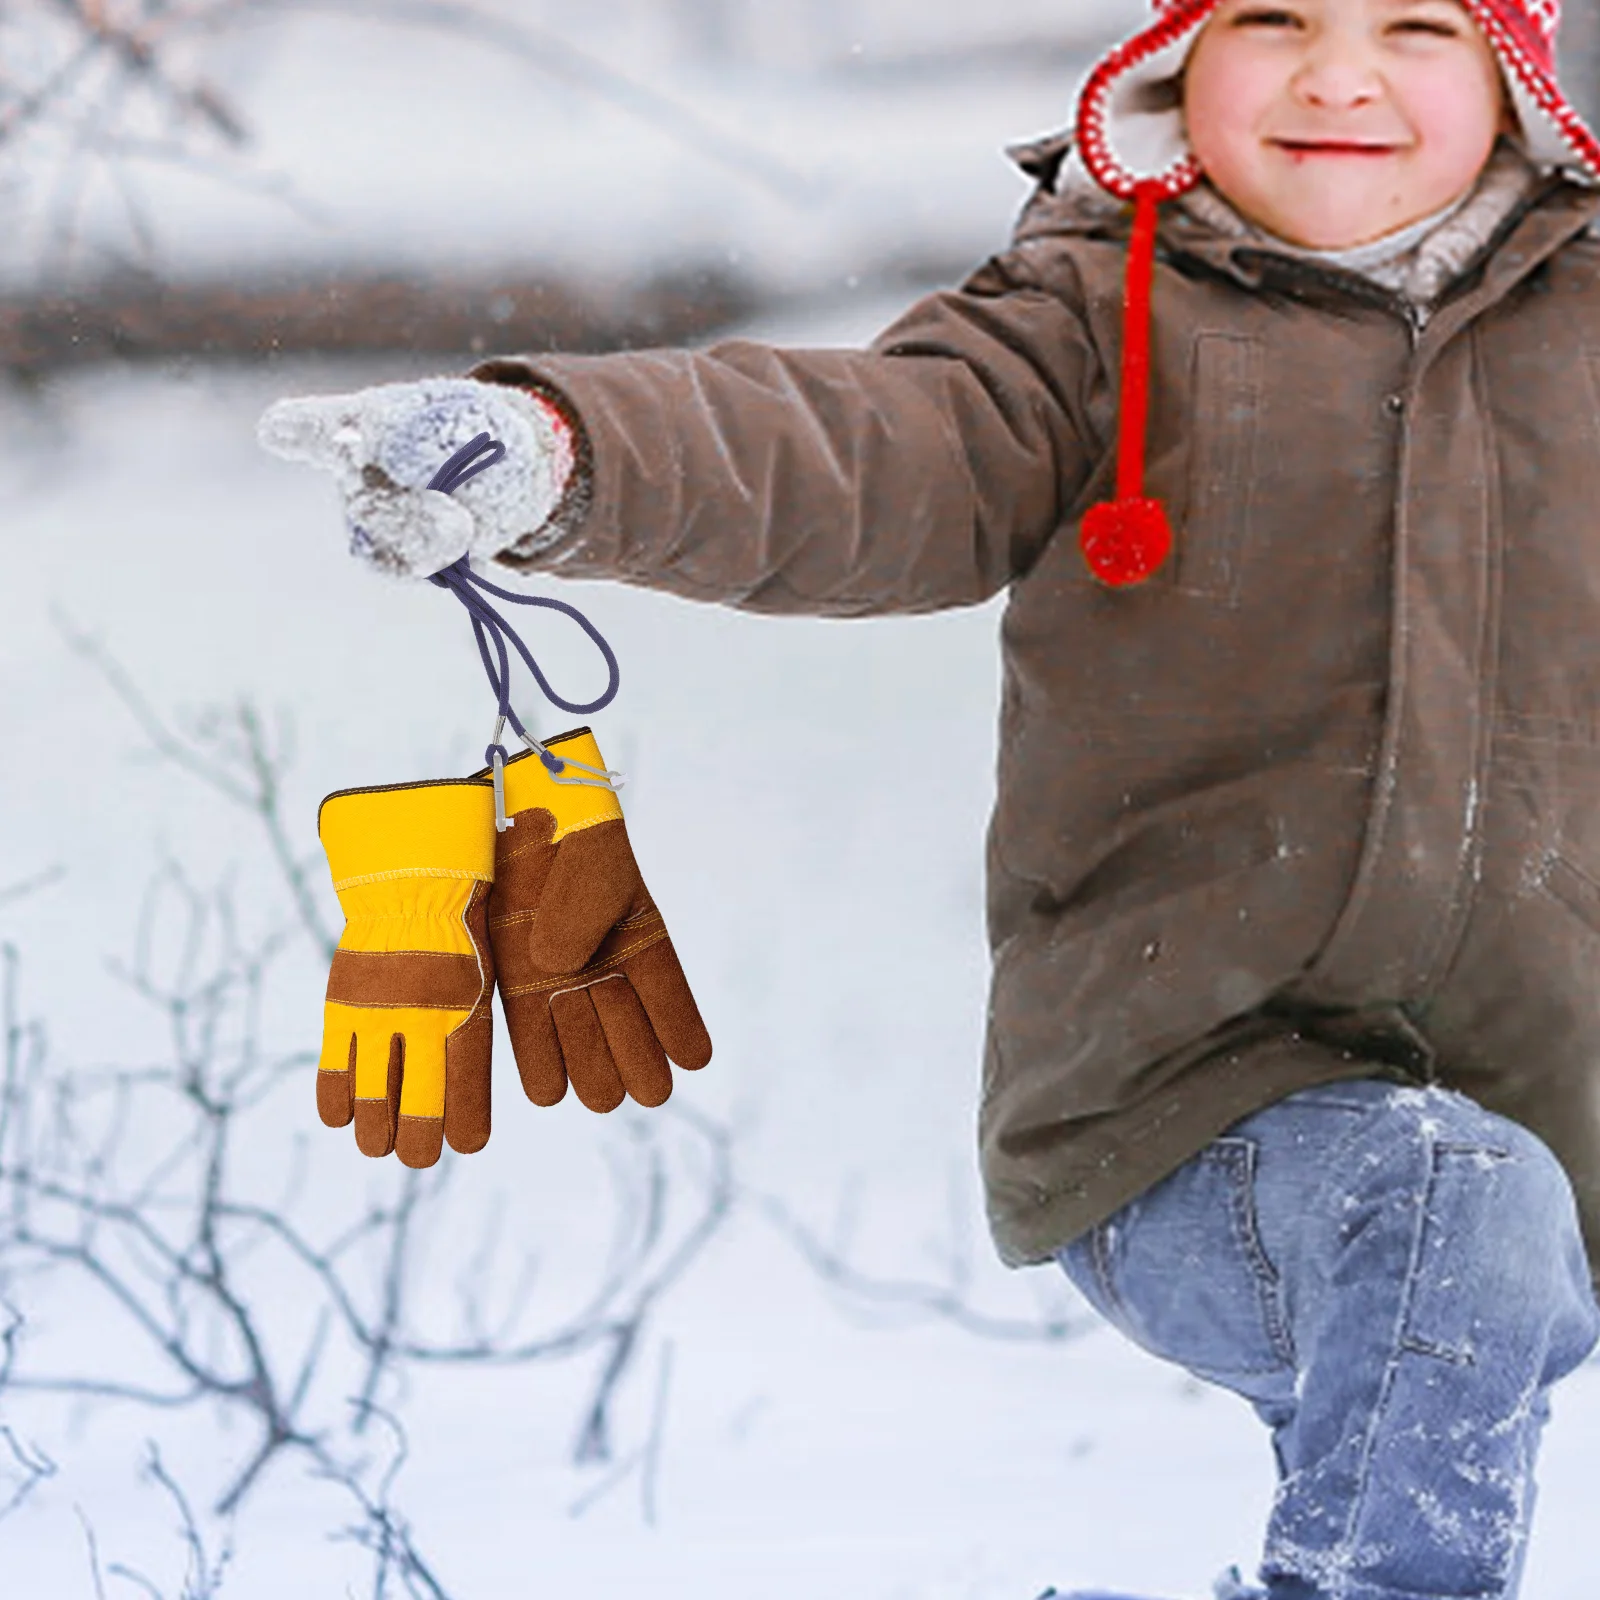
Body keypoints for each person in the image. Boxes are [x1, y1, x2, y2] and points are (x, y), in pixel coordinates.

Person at [259, 1, 1600, 1594]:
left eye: (1417, 26)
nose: (1340, 73)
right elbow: (865, 447)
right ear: (1175, 62)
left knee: (1475, 1200)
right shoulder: (1092, 321)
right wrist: (568, 451)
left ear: (1518, 78)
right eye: (1272, 17)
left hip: (1559, 1112)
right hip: (1185, 1112)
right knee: (1445, 1192)